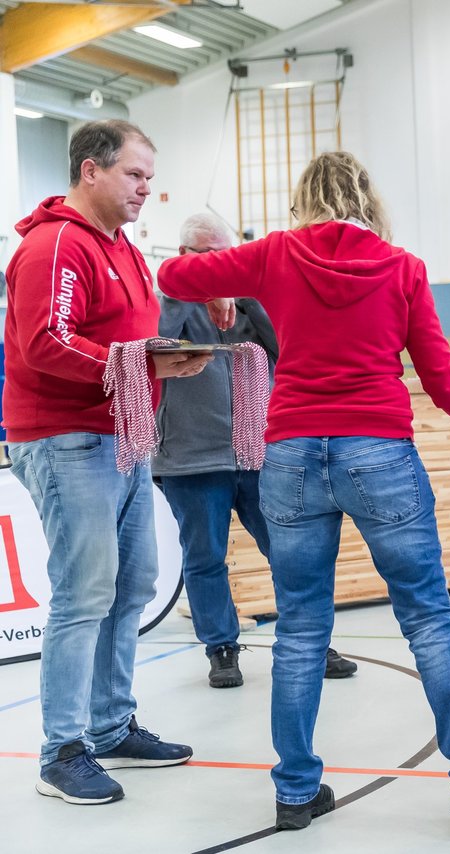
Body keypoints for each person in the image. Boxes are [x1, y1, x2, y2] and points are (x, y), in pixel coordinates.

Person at [157, 151, 450, 829]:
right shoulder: (401, 267)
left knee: (301, 627)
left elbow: (174, 272)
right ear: (366, 197)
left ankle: (296, 790)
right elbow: (442, 377)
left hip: (292, 451)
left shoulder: (274, 255)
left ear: (303, 200)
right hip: (378, 450)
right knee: (428, 617)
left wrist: (231, 256)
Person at [3, 120, 207, 805]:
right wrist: (140, 362)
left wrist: (160, 359)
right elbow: (43, 343)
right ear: (91, 170)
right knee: (85, 591)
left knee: (131, 585)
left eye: (150, 177)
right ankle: (62, 750)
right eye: (135, 174)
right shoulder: (55, 244)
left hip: (119, 436)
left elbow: (124, 339)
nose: (147, 188)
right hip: (67, 439)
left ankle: (111, 723)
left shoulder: (122, 247)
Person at [152, 212, 357, 688]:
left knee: (289, 550)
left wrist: (241, 292)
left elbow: (286, 344)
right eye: (211, 256)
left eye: (229, 253)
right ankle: (221, 648)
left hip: (259, 452)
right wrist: (196, 288)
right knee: (205, 558)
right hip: (191, 457)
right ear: (185, 257)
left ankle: (311, 641)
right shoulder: (164, 300)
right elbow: (156, 341)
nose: (225, 263)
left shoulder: (250, 298)